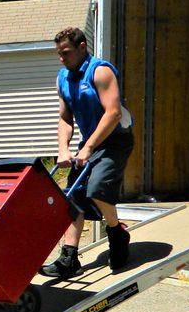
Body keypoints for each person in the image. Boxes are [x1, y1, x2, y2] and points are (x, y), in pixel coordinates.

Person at [39, 27, 134, 278]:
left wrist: (89, 147)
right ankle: (69, 258)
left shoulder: (100, 71)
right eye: (59, 54)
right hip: (88, 143)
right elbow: (65, 118)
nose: (62, 59)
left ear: (82, 47)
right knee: (71, 197)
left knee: (98, 188)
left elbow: (112, 113)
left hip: (114, 140)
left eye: (66, 53)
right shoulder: (63, 78)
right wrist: (63, 149)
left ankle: (117, 234)